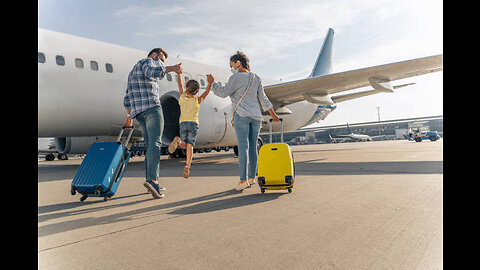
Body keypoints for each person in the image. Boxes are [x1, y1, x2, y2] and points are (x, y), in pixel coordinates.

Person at [209, 51, 280, 191]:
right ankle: (251, 178)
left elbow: (223, 93)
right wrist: (273, 114)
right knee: (253, 148)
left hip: (241, 116)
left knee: (243, 148)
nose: (231, 68)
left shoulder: (235, 78)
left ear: (238, 63)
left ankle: (242, 181)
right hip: (256, 117)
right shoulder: (256, 78)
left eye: (232, 65)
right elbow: (263, 99)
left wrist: (212, 84)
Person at [123, 48, 182, 199]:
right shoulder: (148, 62)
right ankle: (153, 180)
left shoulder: (132, 72)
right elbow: (152, 71)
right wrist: (172, 68)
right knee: (155, 144)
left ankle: (151, 180)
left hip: (139, 113)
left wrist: (128, 115)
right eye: (161, 59)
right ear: (154, 55)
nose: (162, 63)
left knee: (150, 146)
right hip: (151, 108)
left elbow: (127, 95)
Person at [167, 70, 213, 178]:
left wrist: (179, 74)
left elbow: (180, 85)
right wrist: (210, 83)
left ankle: (178, 142)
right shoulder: (197, 100)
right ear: (197, 91)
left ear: (186, 88)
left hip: (183, 123)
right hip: (193, 124)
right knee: (190, 145)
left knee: (184, 144)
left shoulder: (182, 97)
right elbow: (206, 92)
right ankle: (188, 165)